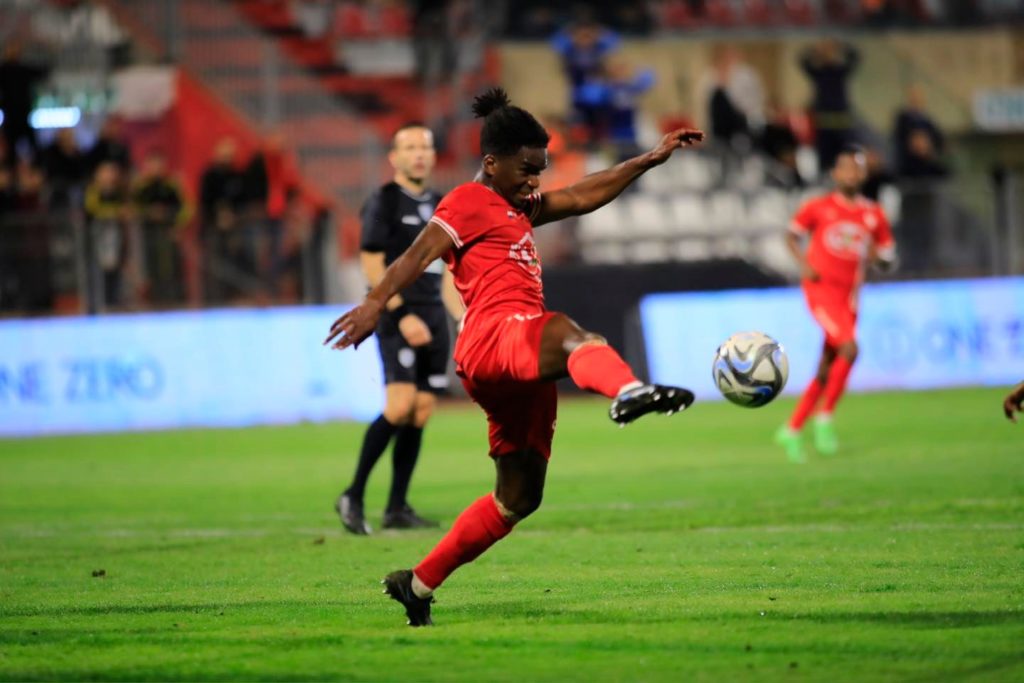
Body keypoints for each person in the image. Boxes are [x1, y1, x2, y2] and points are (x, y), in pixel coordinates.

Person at [325, 88, 702, 626]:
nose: (535, 181)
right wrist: (373, 304)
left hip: (516, 365)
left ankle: (418, 584)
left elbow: (583, 195)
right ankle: (626, 390)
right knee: (569, 332)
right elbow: (416, 255)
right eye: (527, 169)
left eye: (540, 170)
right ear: (490, 163)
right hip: (494, 336)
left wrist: (649, 159)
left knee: (518, 499)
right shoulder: (465, 201)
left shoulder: (520, 205)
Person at [335, 123, 463, 535]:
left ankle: (396, 508)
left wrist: (460, 318)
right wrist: (402, 314)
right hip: (396, 314)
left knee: (422, 411)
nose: (418, 154)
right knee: (399, 405)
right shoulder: (384, 202)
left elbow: (447, 273)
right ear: (394, 157)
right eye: (409, 147)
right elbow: (372, 263)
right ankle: (352, 495)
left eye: (424, 146)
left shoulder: (444, 205)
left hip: (434, 316)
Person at [775, 145, 897, 463]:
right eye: (846, 168)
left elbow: (887, 257)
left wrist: (877, 259)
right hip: (821, 291)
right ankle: (825, 417)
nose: (851, 174)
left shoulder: (874, 215)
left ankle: (792, 428)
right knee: (850, 348)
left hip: (850, 297)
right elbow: (790, 235)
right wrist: (804, 263)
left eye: (857, 169)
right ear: (835, 174)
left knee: (826, 368)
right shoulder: (818, 207)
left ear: (864, 175)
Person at [133, 149, 188, 306]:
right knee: (151, 269)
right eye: (153, 164)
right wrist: (149, 214)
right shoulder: (141, 187)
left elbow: (186, 208)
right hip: (147, 236)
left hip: (169, 235)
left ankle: (174, 302)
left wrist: (177, 226)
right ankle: (155, 302)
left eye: (159, 164)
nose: (157, 167)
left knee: (171, 269)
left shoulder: (172, 186)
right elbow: (132, 209)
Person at [800, 39, 859, 172]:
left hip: (842, 124)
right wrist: (815, 50)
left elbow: (855, 57)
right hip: (824, 123)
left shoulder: (840, 71)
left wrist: (841, 46)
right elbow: (803, 61)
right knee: (824, 159)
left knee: (844, 156)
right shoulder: (819, 73)